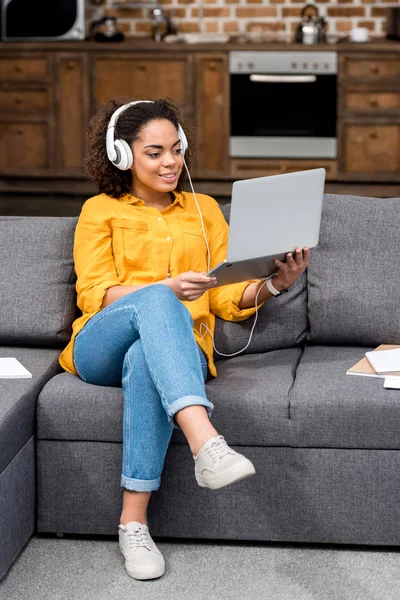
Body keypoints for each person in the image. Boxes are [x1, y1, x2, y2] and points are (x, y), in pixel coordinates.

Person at [59, 97, 309, 581]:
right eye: (154, 152)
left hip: (176, 352)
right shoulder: (99, 211)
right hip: (98, 345)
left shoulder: (204, 209)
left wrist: (276, 283)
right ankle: (206, 442)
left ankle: (132, 523)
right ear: (122, 156)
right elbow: (95, 295)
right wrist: (165, 290)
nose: (171, 162)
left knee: (144, 360)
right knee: (158, 300)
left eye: (176, 149)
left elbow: (224, 295)